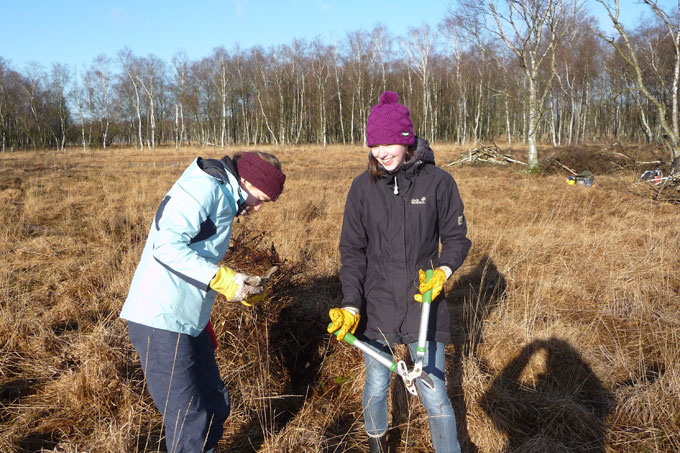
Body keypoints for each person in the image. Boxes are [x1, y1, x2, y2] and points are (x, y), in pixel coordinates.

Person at [327, 91, 471, 453]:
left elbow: (456, 238)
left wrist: (443, 270)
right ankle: (377, 446)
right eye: (374, 144)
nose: (381, 151)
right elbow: (352, 252)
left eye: (388, 142)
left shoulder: (439, 182)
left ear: (407, 142)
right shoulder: (362, 188)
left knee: (434, 392)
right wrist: (351, 305)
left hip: (424, 302)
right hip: (376, 305)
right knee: (376, 384)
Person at [120, 151, 285, 453]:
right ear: (245, 180)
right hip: (160, 318)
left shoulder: (223, 192)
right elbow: (166, 246)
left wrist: (240, 288)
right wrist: (223, 280)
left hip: (187, 318)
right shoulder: (205, 188)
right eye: (259, 198)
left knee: (214, 404)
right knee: (189, 419)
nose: (258, 207)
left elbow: (198, 255)